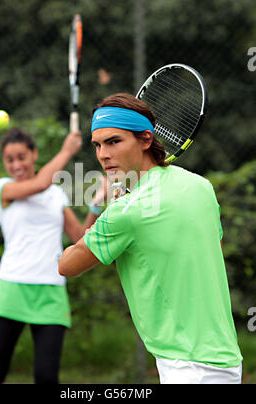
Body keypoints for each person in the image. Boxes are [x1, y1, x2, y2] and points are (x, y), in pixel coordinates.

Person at [58, 93, 243, 384]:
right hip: (225, 359)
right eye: (97, 145)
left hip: (187, 367)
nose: (103, 154)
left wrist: (107, 212)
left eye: (114, 141)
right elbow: (212, 251)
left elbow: (67, 265)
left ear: (146, 140)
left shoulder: (126, 211)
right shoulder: (201, 186)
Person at [0, 127, 107, 385]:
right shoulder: (3, 189)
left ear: (34, 154)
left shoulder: (55, 195)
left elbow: (80, 238)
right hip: (11, 289)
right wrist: (67, 150)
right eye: (9, 160)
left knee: (47, 378)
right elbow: (41, 182)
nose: (16, 165)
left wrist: (96, 203)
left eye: (21, 156)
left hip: (50, 293)